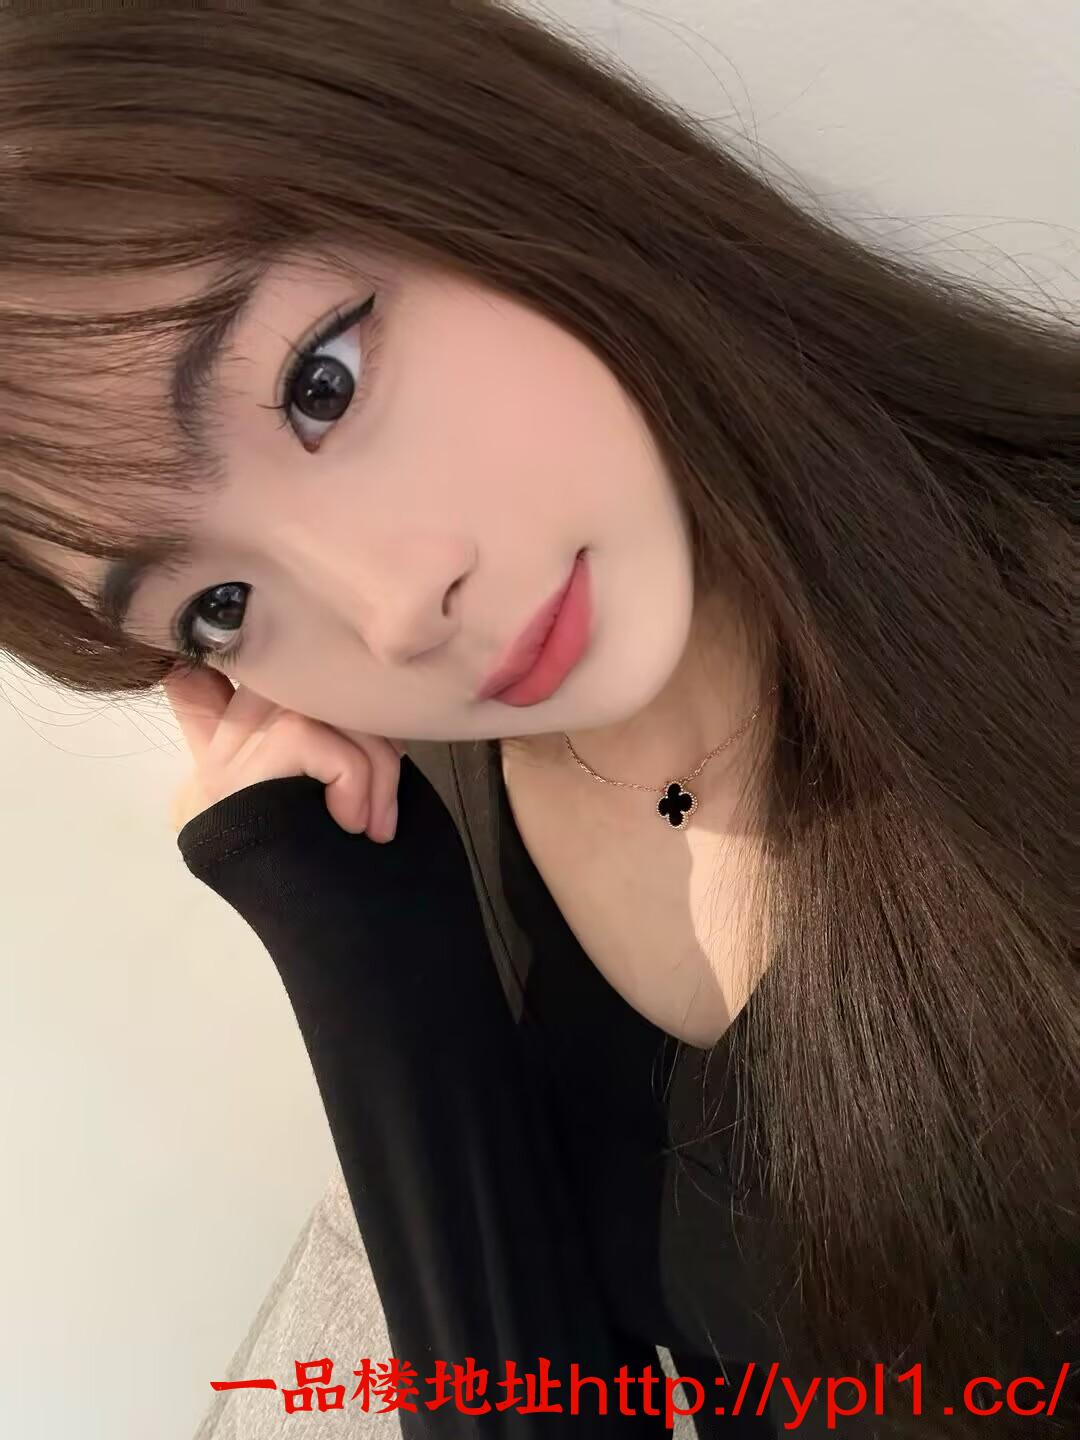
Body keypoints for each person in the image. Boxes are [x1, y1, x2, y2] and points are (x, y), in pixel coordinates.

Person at [1, 2, 1075, 1436]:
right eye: (220, 605)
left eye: (321, 383)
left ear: (484, 164)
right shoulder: (458, 797)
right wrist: (361, 944)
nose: (393, 613)